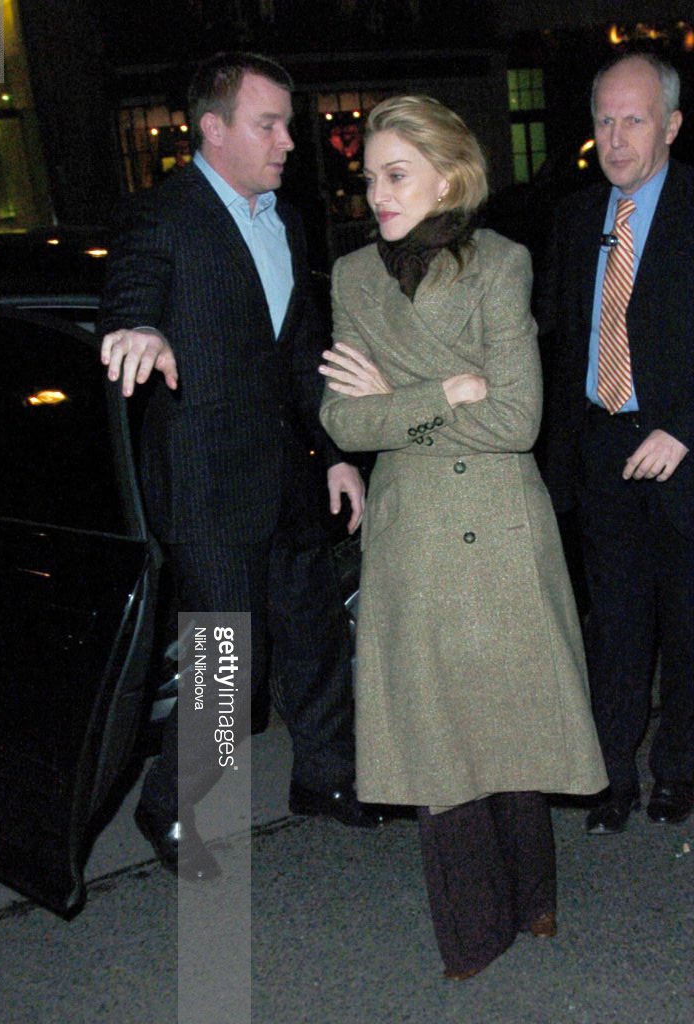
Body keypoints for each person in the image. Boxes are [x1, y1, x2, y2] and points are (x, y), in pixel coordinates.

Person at [318, 94, 607, 980]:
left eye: (396, 175)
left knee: (508, 722)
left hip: (499, 529)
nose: (376, 194)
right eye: (369, 177)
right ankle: (474, 931)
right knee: (438, 737)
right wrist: (446, 391)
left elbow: (518, 419)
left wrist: (393, 404)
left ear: (448, 178)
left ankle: (534, 896)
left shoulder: (500, 263)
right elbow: (343, 420)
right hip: (414, 537)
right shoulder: (353, 278)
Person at [99, 52, 382, 881]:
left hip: (288, 474)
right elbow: (132, 293)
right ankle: (173, 806)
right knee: (228, 663)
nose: (290, 140)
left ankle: (325, 777)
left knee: (316, 632)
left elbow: (301, 353)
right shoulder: (163, 216)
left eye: (288, 123)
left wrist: (335, 455)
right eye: (270, 124)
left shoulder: (285, 221)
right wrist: (138, 330)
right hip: (209, 485)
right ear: (214, 130)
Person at [539, 52, 694, 835]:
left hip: (680, 451)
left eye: (634, 119)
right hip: (601, 448)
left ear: (671, 125)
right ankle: (611, 777)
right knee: (615, 622)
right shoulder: (576, 219)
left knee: (687, 620)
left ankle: (679, 770)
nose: (616, 137)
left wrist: (685, 427)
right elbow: (558, 340)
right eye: (604, 119)